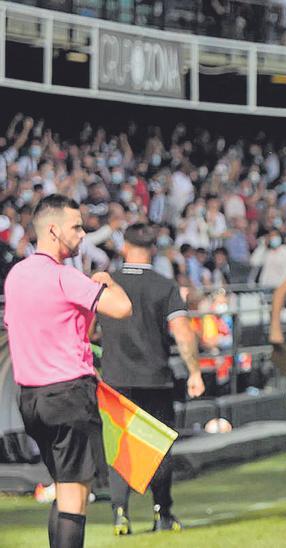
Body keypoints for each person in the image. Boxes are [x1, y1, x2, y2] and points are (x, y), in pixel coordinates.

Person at [4, 194, 133, 548]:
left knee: (64, 489)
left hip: (30, 398)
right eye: (76, 227)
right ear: (53, 230)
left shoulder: (16, 276)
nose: (82, 234)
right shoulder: (66, 277)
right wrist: (106, 280)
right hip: (69, 396)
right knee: (75, 502)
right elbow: (122, 309)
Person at [98, 223, 206, 535]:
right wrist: (195, 372)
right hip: (155, 377)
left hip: (116, 378)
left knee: (119, 446)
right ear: (153, 249)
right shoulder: (164, 285)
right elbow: (183, 332)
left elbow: (89, 327)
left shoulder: (108, 283)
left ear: (124, 247)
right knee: (159, 447)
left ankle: (120, 513)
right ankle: (163, 512)